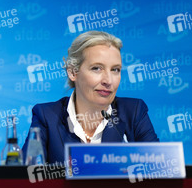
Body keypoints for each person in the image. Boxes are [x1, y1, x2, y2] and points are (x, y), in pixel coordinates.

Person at [23, 31, 158, 164]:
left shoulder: (134, 112)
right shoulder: (46, 116)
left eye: (115, 70)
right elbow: (25, 176)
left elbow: (160, 169)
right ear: (73, 72)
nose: (108, 80)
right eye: (97, 68)